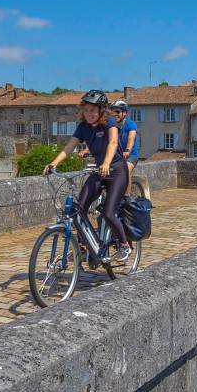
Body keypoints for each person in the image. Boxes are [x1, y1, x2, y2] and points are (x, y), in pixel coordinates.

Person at [44, 89, 132, 262]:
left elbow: (113, 142)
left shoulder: (109, 121)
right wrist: (54, 163)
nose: (88, 114)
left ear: (101, 110)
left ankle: (124, 245)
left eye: (92, 110)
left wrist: (106, 162)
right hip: (99, 171)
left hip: (116, 171)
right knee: (78, 210)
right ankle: (84, 246)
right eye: (85, 110)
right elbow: (69, 147)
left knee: (108, 212)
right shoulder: (83, 127)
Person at [109, 100, 139, 192]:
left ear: (124, 113)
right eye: (112, 112)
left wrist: (127, 150)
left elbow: (131, 139)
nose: (115, 114)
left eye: (118, 112)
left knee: (126, 171)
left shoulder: (131, 124)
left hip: (131, 155)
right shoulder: (110, 126)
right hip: (117, 156)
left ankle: (126, 197)